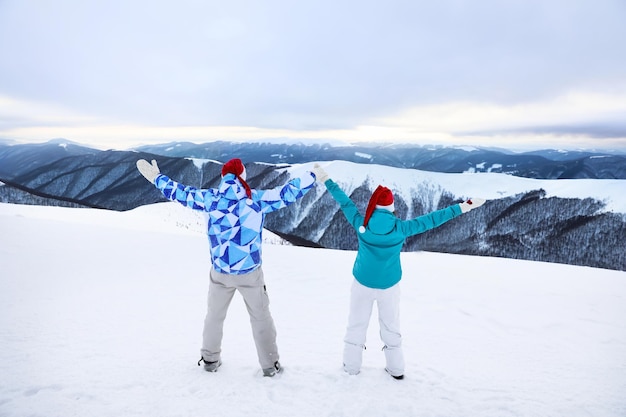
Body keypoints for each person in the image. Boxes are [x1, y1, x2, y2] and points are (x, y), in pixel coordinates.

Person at [136, 158, 316, 377]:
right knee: (261, 318)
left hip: (220, 272)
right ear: (242, 176)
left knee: (214, 316)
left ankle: (210, 360)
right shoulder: (255, 199)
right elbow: (286, 194)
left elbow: (180, 193)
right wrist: (311, 176)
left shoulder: (210, 199)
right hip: (250, 272)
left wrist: (157, 178)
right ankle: (270, 366)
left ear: (223, 177)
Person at [311, 163, 485, 380]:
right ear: (392, 208)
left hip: (362, 283)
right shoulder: (402, 228)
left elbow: (343, 200)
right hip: (389, 285)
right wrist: (464, 206)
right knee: (391, 326)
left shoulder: (360, 223)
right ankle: (396, 369)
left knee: (356, 323)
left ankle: (351, 367)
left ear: (374, 208)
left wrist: (325, 177)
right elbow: (433, 219)